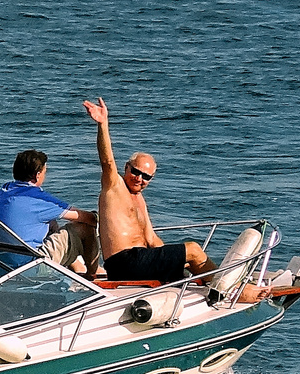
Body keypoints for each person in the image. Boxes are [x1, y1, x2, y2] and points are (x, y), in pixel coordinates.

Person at [81, 98, 213, 285]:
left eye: (146, 177)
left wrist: (176, 261)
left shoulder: (140, 200)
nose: (139, 178)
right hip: (124, 263)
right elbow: (107, 161)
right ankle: (229, 289)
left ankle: (215, 285)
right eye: (135, 172)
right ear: (127, 168)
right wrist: (103, 124)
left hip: (143, 261)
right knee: (193, 249)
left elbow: (151, 239)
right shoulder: (114, 186)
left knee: (186, 265)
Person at [0, 150, 98, 273]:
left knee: (49, 222)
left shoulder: (5, 190)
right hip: (29, 267)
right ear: (37, 175)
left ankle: (77, 267)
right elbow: (86, 218)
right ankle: (92, 274)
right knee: (83, 228)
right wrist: (99, 217)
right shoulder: (37, 198)